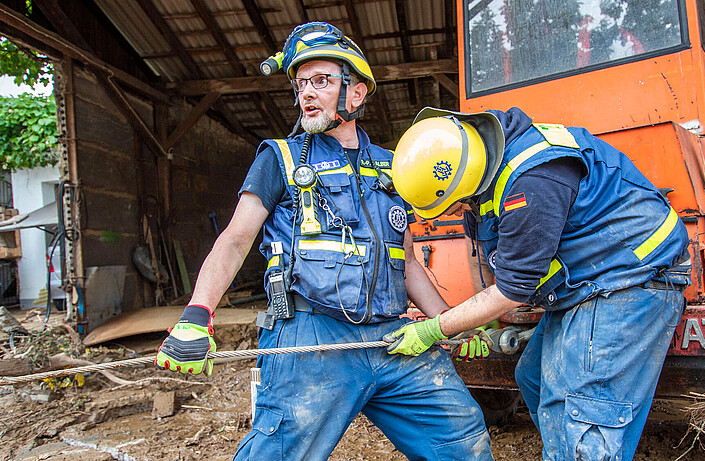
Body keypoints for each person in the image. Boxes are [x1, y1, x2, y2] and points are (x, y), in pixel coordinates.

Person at [154, 23, 492, 460]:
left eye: (321, 81)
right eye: (300, 85)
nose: (306, 94)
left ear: (356, 93)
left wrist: (447, 322)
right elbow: (235, 240)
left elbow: (406, 261)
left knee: (461, 440)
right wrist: (197, 315)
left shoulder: (394, 168)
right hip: (312, 339)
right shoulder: (280, 159)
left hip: (395, 339)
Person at [384, 106, 690, 461]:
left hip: (628, 279)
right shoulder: (482, 173)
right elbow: (484, 258)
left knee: (580, 411)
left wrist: (435, 329)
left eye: (452, 207)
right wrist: (479, 323)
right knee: (533, 377)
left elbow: (513, 289)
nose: (455, 214)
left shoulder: (531, 181)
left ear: (463, 183)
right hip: (585, 283)